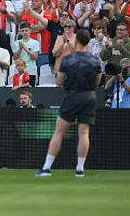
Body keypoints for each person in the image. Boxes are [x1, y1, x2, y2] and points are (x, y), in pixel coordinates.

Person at [36, 29, 101, 178]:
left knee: (59, 132)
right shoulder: (94, 60)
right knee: (84, 133)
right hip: (89, 96)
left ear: (76, 40)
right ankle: (80, 169)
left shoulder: (68, 59)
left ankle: (46, 168)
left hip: (72, 95)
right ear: (88, 41)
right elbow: (97, 82)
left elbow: (59, 82)